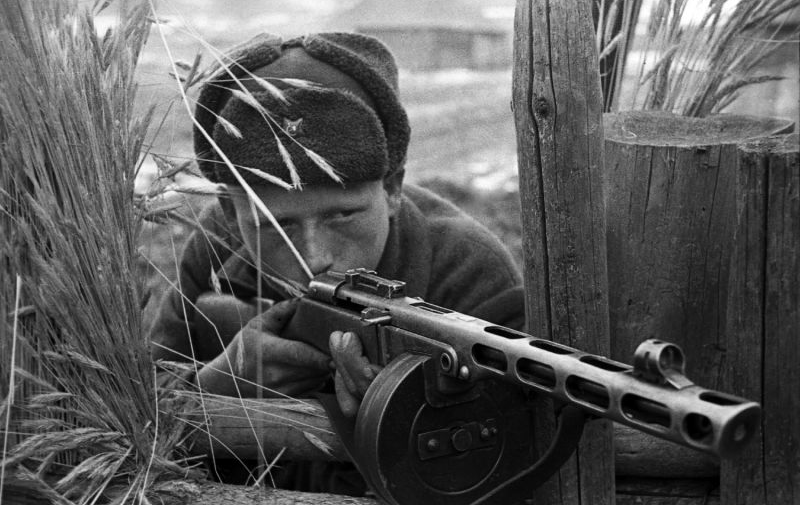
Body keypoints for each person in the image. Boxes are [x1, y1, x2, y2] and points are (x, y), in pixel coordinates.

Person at [149, 32, 525, 495]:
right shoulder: (217, 246)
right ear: (230, 213)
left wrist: (396, 410)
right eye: (275, 225)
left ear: (391, 189)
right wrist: (219, 386)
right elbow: (137, 405)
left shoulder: (467, 271)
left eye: (342, 215)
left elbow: (501, 473)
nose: (314, 256)